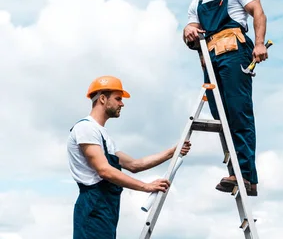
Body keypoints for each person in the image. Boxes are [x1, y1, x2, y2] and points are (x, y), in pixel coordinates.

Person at [182, 0, 268, 197]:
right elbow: (192, 34)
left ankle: (244, 174)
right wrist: (187, 32)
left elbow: (258, 13)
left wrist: (260, 43)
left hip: (233, 50)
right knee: (220, 115)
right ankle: (242, 175)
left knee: (238, 111)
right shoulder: (196, 3)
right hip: (210, 57)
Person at [67, 75, 192, 239]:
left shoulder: (103, 135)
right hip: (93, 207)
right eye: (118, 99)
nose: (122, 103)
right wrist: (146, 186)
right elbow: (104, 170)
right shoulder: (85, 128)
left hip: (106, 210)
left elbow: (134, 164)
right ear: (103, 99)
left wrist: (172, 152)